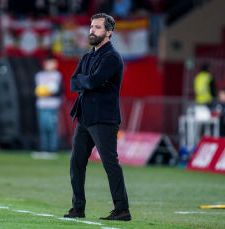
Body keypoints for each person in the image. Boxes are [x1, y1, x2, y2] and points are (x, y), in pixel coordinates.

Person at [64, 13, 131, 221]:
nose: (92, 30)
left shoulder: (112, 56)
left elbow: (92, 82)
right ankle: (78, 208)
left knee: (110, 163)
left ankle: (122, 210)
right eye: (91, 26)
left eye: (98, 28)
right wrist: (86, 80)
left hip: (104, 118)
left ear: (109, 32)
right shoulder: (87, 57)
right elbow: (73, 83)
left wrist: (85, 80)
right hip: (85, 117)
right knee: (76, 162)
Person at [32, 56, 62, 159]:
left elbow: (59, 91)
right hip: (41, 105)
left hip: (52, 105)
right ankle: (43, 148)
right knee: (42, 126)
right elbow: (36, 90)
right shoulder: (39, 75)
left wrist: (48, 93)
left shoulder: (57, 75)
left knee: (51, 126)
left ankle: (52, 148)